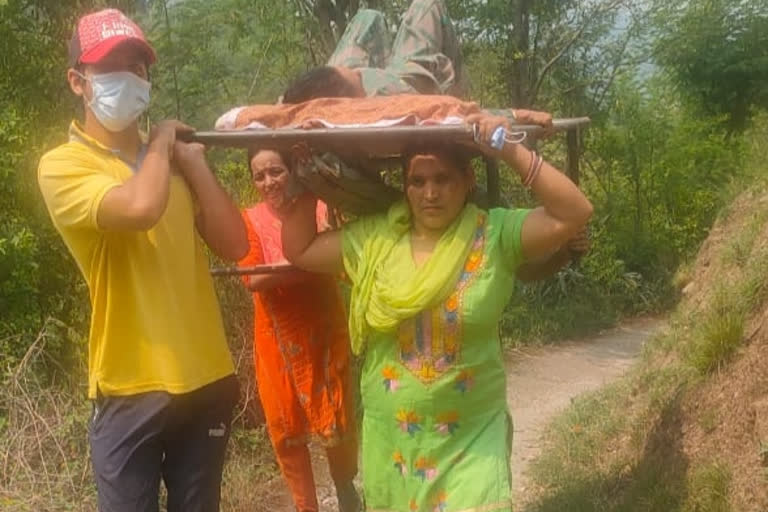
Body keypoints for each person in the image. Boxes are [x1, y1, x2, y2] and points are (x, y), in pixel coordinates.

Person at [279, 111, 593, 511]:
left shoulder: (494, 233)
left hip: (472, 439)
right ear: (405, 188)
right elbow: (299, 248)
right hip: (394, 442)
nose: (431, 193)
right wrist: (305, 173)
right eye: (418, 181)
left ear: (468, 181)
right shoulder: (376, 239)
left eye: (443, 179)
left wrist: (508, 148)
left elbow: (574, 211)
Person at [36, 9, 247, 512]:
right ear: (78, 81)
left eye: (138, 67)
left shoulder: (171, 164)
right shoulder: (64, 165)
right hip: (129, 385)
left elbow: (236, 244)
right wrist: (161, 145)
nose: (128, 78)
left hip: (207, 375)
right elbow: (140, 208)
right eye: (111, 67)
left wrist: (193, 166)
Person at [238, 149, 361, 512]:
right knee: (286, 430)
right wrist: (304, 260)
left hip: (324, 331)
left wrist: (294, 264)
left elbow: (343, 264)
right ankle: (305, 505)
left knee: (337, 417)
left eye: (275, 171)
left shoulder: (320, 209)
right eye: (259, 176)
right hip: (276, 341)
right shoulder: (249, 219)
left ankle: (345, 488)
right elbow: (252, 278)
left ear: (293, 171)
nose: (268, 182)